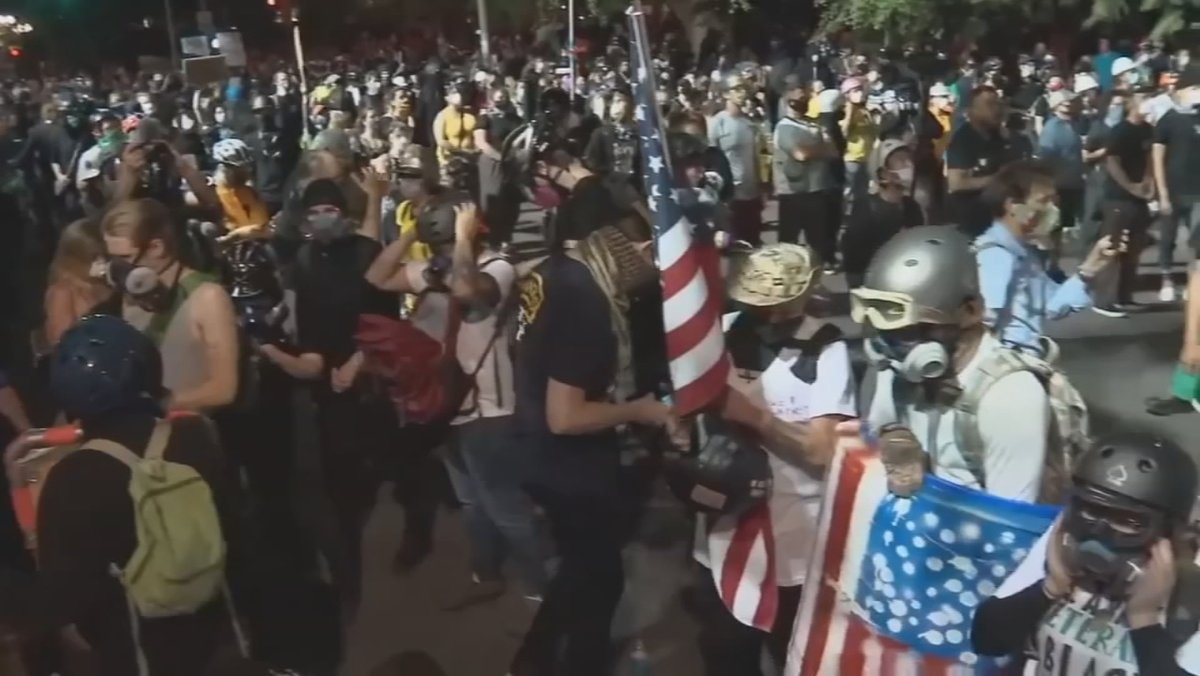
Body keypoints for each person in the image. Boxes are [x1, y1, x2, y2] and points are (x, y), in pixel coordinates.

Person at [508, 222, 678, 676]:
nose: (653, 277)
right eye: (655, 262)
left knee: (578, 568)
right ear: (640, 248)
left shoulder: (556, 269)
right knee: (601, 581)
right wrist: (639, 410)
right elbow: (565, 416)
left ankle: (533, 658)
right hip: (570, 468)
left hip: (533, 446)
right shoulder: (587, 305)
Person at [365, 195, 546, 608]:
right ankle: (486, 571)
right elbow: (377, 276)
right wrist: (414, 230)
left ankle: (541, 587)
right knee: (471, 501)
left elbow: (466, 289)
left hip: (490, 410)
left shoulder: (497, 267)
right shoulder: (440, 268)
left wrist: (461, 239)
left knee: (506, 508)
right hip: (446, 404)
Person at [34, 315, 242, 676]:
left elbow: (66, 600)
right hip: (218, 642)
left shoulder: (70, 478)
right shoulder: (196, 435)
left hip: (137, 656)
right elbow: (237, 531)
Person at [694, 243, 856, 676]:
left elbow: (823, 451)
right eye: (759, 304)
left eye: (780, 305)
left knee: (793, 655)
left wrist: (755, 417)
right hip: (726, 533)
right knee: (727, 655)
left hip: (794, 539)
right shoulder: (723, 332)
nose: (769, 315)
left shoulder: (825, 347)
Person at [972, 433, 1200, 674]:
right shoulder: (1062, 546)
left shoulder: (1189, 597)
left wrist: (1145, 620)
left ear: (1168, 533)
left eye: (1127, 521)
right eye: (1089, 511)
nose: (1098, 533)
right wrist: (1051, 587)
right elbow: (986, 640)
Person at [856, 226, 1051, 501]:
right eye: (887, 334)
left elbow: (1009, 520)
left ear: (970, 311)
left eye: (909, 332)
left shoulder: (1009, 395)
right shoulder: (897, 373)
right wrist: (891, 441)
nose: (894, 348)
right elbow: (878, 438)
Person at [102, 199, 239, 412]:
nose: (119, 268)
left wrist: (154, 406)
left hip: (186, 427)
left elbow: (224, 389)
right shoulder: (130, 294)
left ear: (156, 248)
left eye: (125, 257)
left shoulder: (208, 298)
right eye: (113, 258)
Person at [974, 160, 1120, 356]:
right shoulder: (995, 255)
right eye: (1043, 201)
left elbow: (1052, 306)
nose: (1052, 210)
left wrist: (1089, 268)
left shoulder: (1024, 253)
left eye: (1054, 201)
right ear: (1013, 205)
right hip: (1011, 362)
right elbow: (985, 322)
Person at [1094, 88, 1154, 318]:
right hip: (1117, 197)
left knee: (1135, 248)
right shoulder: (1120, 130)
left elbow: (1150, 158)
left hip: (1140, 198)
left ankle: (1125, 296)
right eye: (1143, 99)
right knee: (1112, 246)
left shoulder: (1148, 129)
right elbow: (1112, 161)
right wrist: (1130, 186)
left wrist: (1148, 184)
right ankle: (1104, 300)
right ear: (1132, 105)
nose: (1148, 103)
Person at [773, 84, 840, 260]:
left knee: (818, 244)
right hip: (792, 193)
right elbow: (800, 154)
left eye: (804, 97)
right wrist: (821, 150)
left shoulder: (814, 124)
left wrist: (815, 150)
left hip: (816, 191)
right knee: (788, 246)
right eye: (797, 98)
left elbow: (834, 152)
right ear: (788, 100)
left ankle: (816, 273)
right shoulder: (784, 127)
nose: (802, 101)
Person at [1151, 64, 1200, 302]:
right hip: (1172, 190)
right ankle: (1167, 279)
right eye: (1194, 88)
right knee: (1167, 238)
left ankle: (1194, 281)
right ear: (1181, 90)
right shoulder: (1168, 120)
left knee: (1196, 240)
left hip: (1197, 191)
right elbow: (1157, 158)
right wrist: (1162, 193)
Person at [945, 86, 1011, 237]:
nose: (997, 109)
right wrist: (999, 178)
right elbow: (956, 184)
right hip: (971, 220)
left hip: (997, 218)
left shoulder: (998, 136)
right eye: (989, 104)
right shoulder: (964, 140)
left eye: (998, 104)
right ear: (972, 111)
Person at [43, 219, 114, 348]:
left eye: (105, 255)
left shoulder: (108, 280)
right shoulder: (63, 292)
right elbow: (62, 343)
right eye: (93, 258)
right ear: (74, 259)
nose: (102, 262)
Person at [709, 74, 763, 245]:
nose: (742, 93)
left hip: (751, 194)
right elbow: (710, 160)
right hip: (730, 197)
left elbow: (755, 157)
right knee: (734, 246)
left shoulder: (749, 123)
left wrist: (762, 186)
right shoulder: (717, 123)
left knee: (753, 244)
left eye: (744, 89)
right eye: (737, 89)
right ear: (726, 94)